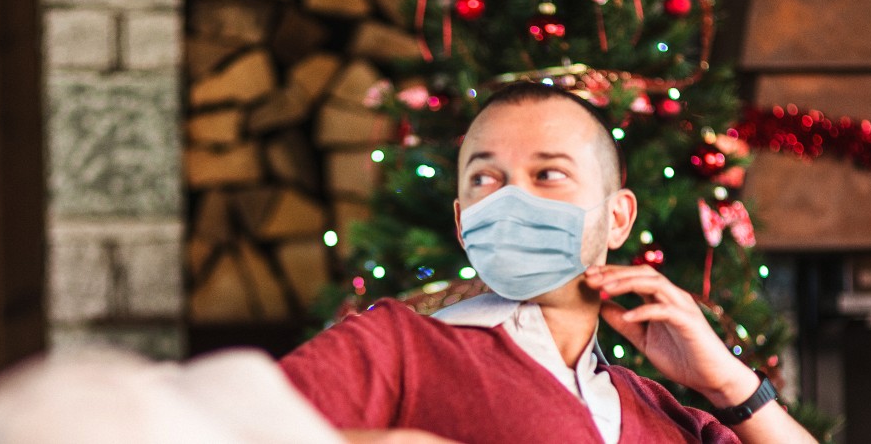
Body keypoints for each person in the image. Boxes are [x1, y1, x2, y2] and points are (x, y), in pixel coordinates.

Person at [279, 82, 817, 443]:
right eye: (485, 179)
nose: (511, 200)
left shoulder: (661, 411)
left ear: (618, 217)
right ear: (464, 223)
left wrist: (729, 384)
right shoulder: (397, 346)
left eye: (548, 174)